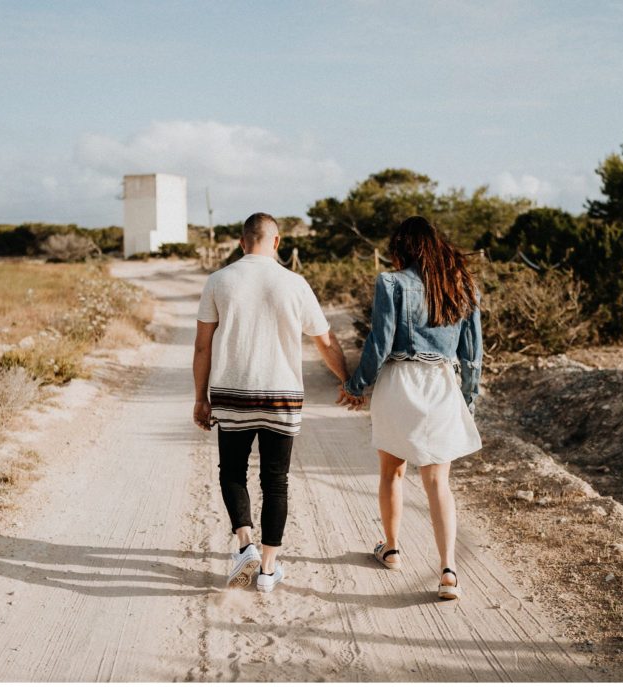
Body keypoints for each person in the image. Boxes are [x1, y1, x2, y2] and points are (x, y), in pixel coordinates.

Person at [193, 212, 353, 593]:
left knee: (232, 472)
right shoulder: (295, 283)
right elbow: (326, 341)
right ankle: (267, 569)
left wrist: (200, 397)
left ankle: (244, 544)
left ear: (241, 240)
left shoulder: (219, 281)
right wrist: (348, 381)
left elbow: (203, 346)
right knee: (276, 480)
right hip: (282, 395)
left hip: (232, 393)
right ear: (277, 241)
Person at [341, 216, 482, 600]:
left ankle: (391, 549)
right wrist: (467, 399)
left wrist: (357, 385)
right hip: (441, 384)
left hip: (400, 383)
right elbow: (473, 355)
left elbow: (380, 342)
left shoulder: (391, 282)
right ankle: (448, 570)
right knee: (438, 482)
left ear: (402, 248)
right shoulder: (464, 286)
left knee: (393, 472)